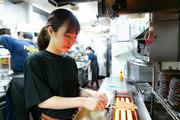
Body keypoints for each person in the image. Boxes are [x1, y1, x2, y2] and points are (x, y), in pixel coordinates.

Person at [24, 8, 108, 120]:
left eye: (74, 37)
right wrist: (83, 101)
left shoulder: (69, 60)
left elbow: (72, 90)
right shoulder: (35, 60)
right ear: (50, 31)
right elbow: (43, 101)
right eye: (67, 36)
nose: (71, 42)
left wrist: (92, 94)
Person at [0, 33, 38, 120]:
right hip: (35, 81)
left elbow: (1, 38)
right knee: (36, 113)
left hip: (20, 81)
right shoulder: (36, 47)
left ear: (21, 35)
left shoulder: (15, 41)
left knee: (20, 115)